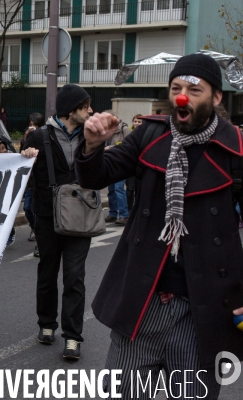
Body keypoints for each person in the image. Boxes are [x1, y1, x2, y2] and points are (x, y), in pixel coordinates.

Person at [75, 53, 243, 399]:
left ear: (216, 97)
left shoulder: (236, 149)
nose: (182, 96)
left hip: (203, 306)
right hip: (144, 299)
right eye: (176, 88)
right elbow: (98, 175)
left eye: (194, 90)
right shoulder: (151, 134)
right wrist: (93, 145)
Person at [21, 84, 94, 360]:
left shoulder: (92, 136)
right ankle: (46, 324)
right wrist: (24, 157)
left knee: (75, 277)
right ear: (71, 110)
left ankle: (73, 337)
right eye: (86, 106)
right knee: (47, 272)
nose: (91, 111)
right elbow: (20, 176)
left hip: (81, 217)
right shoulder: (38, 137)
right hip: (47, 217)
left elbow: (103, 170)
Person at [21, 113, 45, 257]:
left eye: (35, 125)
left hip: (39, 182)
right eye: (30, 124)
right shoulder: (27, 137)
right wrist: (26, 140)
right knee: (27, 208)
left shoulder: (44, 138)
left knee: (37, 211)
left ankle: (39, 242)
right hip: (29, 182)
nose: (32, 127)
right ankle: (34, 229)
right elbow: (21, 156)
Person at [103, 110, 131, 225]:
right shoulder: (104, 130)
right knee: (111, 190)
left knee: (119, 189)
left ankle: (124, 215)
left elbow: (129, 146)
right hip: (109, 163)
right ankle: (113, 213)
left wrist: (112, 147)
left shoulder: (124, 129)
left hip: (120, 163)